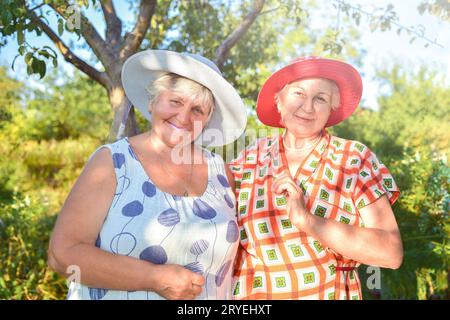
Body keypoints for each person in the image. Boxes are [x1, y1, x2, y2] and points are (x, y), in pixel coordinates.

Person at [47, 50, 247, 300]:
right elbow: (63, 254)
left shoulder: (222, 172)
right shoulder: (112, 162)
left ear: (207, 120)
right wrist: (154, 278)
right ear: (152, 102)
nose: (184, 117)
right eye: (175, 102)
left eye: (198, 110)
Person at [230, 56, 403, 300]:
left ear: (332, 107)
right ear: (278, 101)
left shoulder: (353, 158)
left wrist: (307, 220)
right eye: (298, 94)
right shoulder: (248, 158)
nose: (308, 107)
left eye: (320, 98)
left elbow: (390, 253)